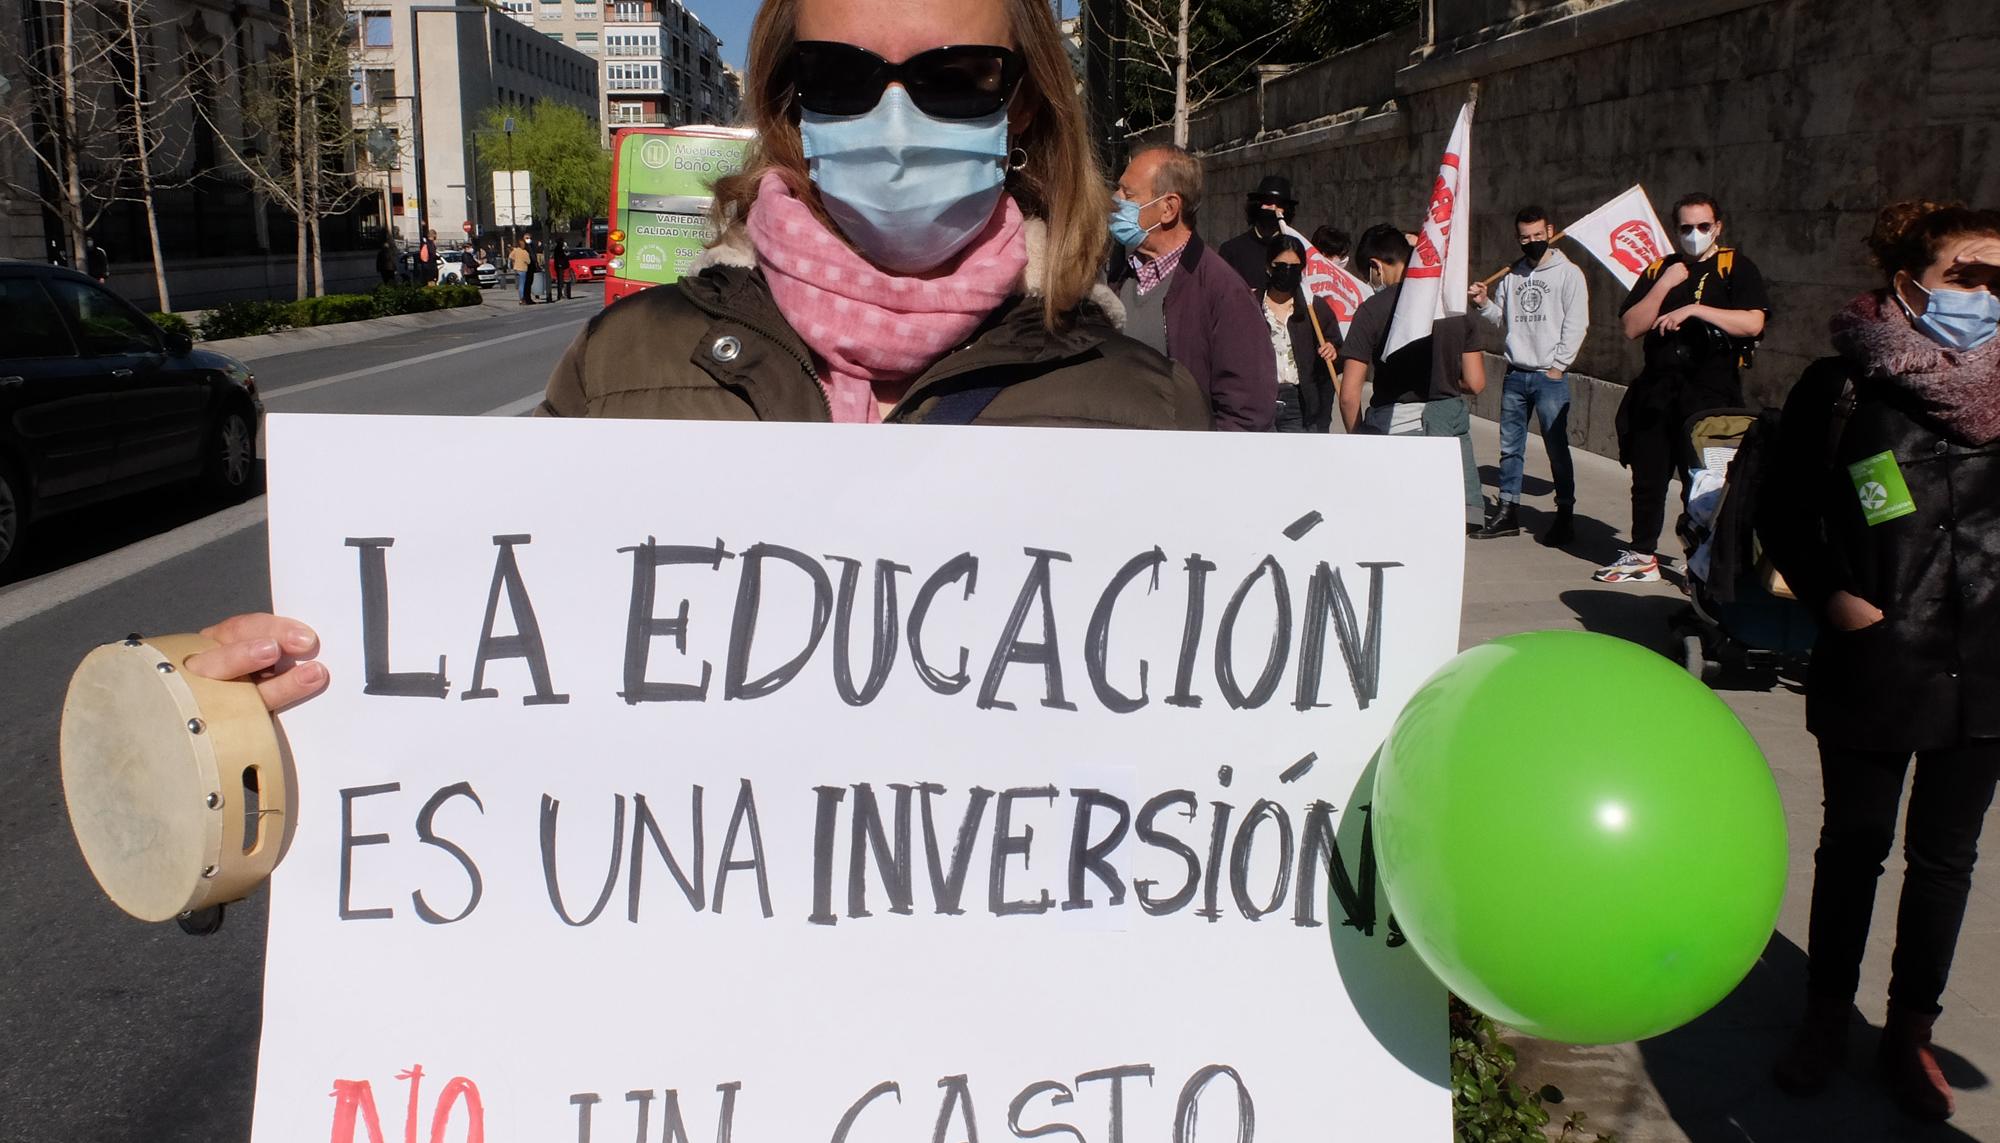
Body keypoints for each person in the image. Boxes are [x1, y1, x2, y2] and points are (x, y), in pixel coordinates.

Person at [177, 0, 1212, 718]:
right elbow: (474, 656)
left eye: (953, 77)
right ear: (788, 100)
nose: (895, 123)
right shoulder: (624, 364)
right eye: (842, 76)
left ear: (1019, 102)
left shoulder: (1136, 405)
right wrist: (250, 721)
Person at [1761, 200, 2000, 1124]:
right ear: (1910, 284)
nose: (1987, 296)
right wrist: (1838, 600)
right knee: (1854, 847)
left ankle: (1910, 1033)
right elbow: (1786, 513)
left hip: (1985, 666)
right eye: (1969, 277)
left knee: (1945, 858)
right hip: (1874, 657)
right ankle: (1826, 1016)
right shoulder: (1842, 384)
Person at [1598, 192, 1770, 583]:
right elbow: (1631, 326)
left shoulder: (1735, 268)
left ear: (1718, 227)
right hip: (1658, 392)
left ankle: (1703, 562)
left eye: (1703, 226)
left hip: (1710, 395)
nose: (1694, 234)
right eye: (1686, 228)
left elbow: (1753, 323)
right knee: (1648, 478)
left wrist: (1693, 309)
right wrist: (1665, 287)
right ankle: (1642, 554)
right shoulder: (1661, 268)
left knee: (1705, 484)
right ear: (1675, 230)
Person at [1106, 143, 1276, 431]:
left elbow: (1247, 411)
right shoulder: (1115, 274)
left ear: (1168, 208)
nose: (1115, 200)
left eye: (1128, 194)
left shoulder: (1223, 291)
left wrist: (1198, 467)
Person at [1336, 224, 1487, 531]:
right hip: (1451, 438)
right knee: (1446, 535)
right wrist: (1442, 378)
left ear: (1376, 266)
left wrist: (1359, 440)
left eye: (1369, 273)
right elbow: (1475, 382)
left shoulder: (1372, 310)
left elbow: (1349, 395)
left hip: (1395, 435)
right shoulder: (1455, 304)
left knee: (1395, 534)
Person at [1469, 205, 1588, 544]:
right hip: (1516, 373)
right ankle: (1508, 510)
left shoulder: (1569, 274)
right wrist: (1482, 301)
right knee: (1510, 447)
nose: (1532, 241)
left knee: (1556, 447)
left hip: (1549, 377)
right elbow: (1500, 319)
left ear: (1550, 231)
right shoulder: (1512, 274)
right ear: (1518, 238)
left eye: (1538, 235)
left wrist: (1557, 367)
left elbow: (1577, 324)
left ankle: (1565, 513)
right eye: (1525, 237)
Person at [1257, 233, 1339, 433]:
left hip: (1299, 403)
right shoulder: (1251, 306)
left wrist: (1333, 350)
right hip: (1259, 399)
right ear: (1268, 267)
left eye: (1294, 268)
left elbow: (1338, 349)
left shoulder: (1315, 308)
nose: (1287, 272)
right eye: (1281, 266)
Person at [1217, 174, 1296, 291]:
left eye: (1279, 204)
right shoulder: (1231, 250)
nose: (1273, 208)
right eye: (1268, 202)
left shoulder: (1294, 250)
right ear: (1256, 205)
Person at [511, 239, 535, 305]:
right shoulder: (525, 252)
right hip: (523, 269)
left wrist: (515, 260)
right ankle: (522, 299)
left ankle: (520, 299)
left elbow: (510, 256)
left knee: (520, 285)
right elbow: (528, 261)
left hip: (516, 269)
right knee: (522, 285)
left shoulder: (515, 250)